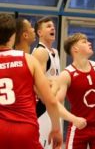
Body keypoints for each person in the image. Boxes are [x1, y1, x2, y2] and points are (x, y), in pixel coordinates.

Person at [0, 13, 62, 149]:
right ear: (13, 35)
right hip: (26, 128)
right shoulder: (28, 59)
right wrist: (56, 129)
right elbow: (50, 100)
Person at [56, 32, 95, 148]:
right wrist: (74, 119)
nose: (89, 43)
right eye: (84, 42)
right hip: (79, 128)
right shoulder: (66, 74)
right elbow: (56, 104)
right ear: (75, 49)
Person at [32, 16, 61, 148]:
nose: (52, 28)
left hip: (54, 109)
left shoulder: (54, 52)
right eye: (48, 26)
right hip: (43, 110)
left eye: (53, 26)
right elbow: (36, 84)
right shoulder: (40, 52)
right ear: (39, 32)